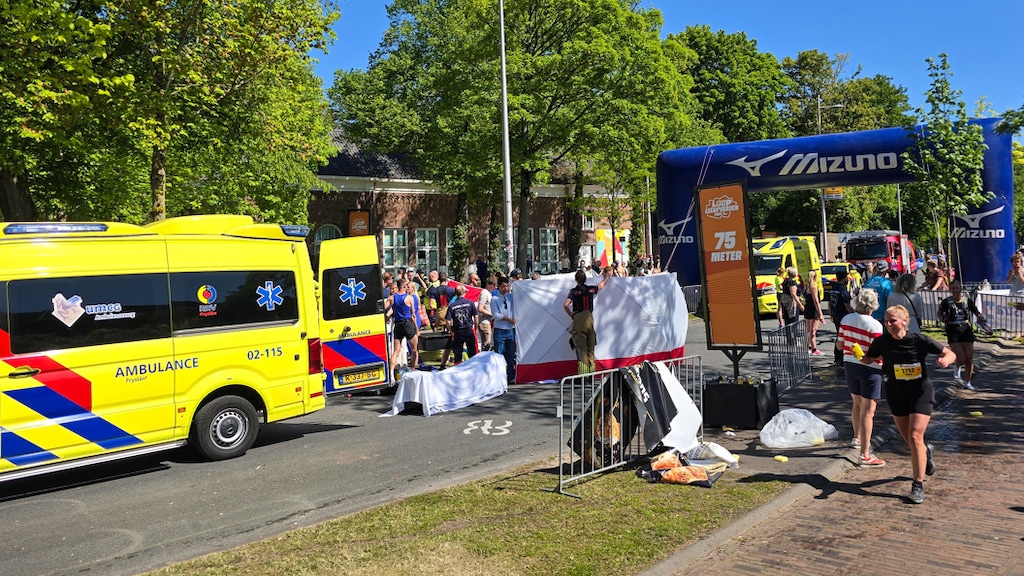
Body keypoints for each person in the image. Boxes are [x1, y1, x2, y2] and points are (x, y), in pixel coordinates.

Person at [862, 304, 957, 504]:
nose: (888, 324)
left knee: (915, 437)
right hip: (896, 393)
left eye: (892, 320)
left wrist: (946, 361)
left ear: (905, 321)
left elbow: (950, 353)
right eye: (886, 321)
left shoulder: (918, 340)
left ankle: (917, 486)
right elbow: (870, 358)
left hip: (920, 392)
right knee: (912, 442)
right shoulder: (881, 342)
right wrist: (857, 355)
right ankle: (926, 452)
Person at [836, 288, 884, 466]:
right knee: (868, 412)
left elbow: (840, 345)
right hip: (870, 369)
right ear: (874, 305)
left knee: (856, 404)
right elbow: (877, 354)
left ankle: (856, 438)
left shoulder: (846, 319)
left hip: (850, 364)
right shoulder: (875, 325)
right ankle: (866, 454)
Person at [938, 280, 987, 390]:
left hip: (965, 329)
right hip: (952, 329)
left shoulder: (967, 301)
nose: (956, 290)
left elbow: (975, 311)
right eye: (953, 288)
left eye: (957, 288)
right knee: (961, 356)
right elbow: (940, 312)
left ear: (961, 288)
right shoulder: (946, 302)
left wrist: (980, 317)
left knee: (969, 358)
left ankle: (968, 382)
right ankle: (957, 366)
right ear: (951, 290)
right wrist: (942, 319)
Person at [563, 267, 612, 374]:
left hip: (579, 319)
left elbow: (565, 304)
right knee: (591, 348)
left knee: (582, 349)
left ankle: (584, 374)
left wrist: (571, 314)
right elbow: (601, 286)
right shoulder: (590, 289)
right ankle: (592, 372)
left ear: (576, 280)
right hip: (589, 318)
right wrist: (607, 277)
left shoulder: (573, 291)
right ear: (585, 279)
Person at [440, 284, 478, 369]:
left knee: (458, 353)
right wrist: (475, 327)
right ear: (464, 292)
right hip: (468, 329)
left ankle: (458, 369)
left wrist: (451, 330)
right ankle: (474, 368)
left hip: (458, 331)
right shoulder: (470, 303)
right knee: (472, 351)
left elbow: (447, 321)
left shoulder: (452, 306)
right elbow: (476, 316)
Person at [388, 278, 420, 379]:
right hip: (408, 323)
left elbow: (384, 309)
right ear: (404, 287)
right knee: (415, 349)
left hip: (398, 324)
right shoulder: (409, 298)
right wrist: (417, 329)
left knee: (396, 351)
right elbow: (413, 315)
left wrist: (386, 318)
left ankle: (391, 374)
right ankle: (413, 369)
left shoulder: (392, 298)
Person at [491, 276, 517, 383]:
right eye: (503, 286)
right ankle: (499, 377)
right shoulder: (494, 299)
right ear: (498, 287)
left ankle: (511, 376)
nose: (505, 288)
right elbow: (496, 315)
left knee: (511, 355)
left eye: (507, 286)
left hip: (510, 330)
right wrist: (508, 319)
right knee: (499, 354)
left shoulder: (510, 296)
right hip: (500, 330)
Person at [828, 270, 854, 366]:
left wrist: (831, 314)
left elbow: (829, 304)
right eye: (847, 277)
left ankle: (837, 357)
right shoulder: (843, 291)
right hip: (843, 316)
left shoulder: (832, 289)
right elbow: (847, 305)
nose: (848, 279)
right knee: (843, 337)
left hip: (835, 316)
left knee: (839, 335)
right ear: (844, 278)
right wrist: (853, 314)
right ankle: (841, 357)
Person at [803, 270, 826, 356]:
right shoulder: (814, 287)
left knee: (808, 329)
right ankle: (814, 348)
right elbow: (816, 301)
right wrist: (820, 313)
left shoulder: (806, 286)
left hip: (808, 308)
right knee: (813, 330)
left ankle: (809, 347)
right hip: (813, 309)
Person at [477, 276, 494, 351]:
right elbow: (480, 308)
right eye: (494, 285)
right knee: (486, 344)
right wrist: (491, 314)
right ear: (490, 284)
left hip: (488, 322)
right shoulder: (484, 293)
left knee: (488, 344)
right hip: (484, 323)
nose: (495, 288)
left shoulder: (488, 294)